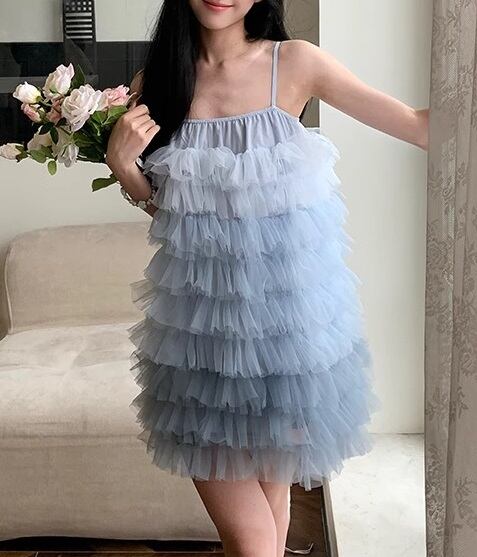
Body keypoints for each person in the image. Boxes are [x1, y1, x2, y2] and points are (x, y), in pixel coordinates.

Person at [105, 1, 429, 556]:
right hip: (201, 344)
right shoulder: (157, 81)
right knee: (254, 539)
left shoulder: (295, 63)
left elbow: (420, 126)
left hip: (287, 340)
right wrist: (124, 167)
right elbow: (173, 213)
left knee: (273, 519)